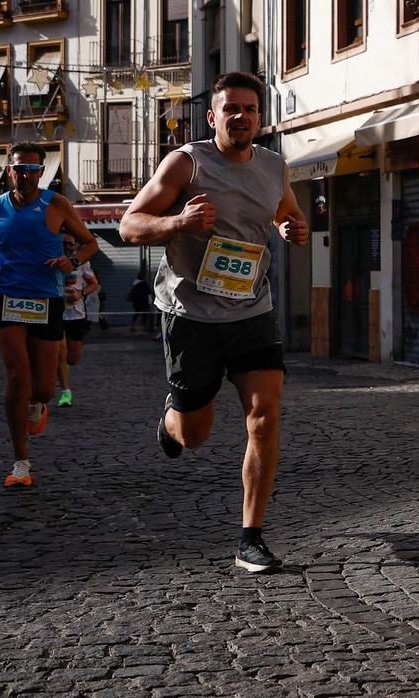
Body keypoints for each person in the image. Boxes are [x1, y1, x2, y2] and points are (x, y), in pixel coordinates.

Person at [119, 72, 309, 573]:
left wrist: (294, 227)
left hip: (252, 311)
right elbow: (129, 224)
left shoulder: (274, 167)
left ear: (260, 118)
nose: (240, 116)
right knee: (194, 434)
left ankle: (252, 536)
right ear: (213, 116)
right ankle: (171, 421)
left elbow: (285, 213)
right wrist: (178, 223)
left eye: (249, 109)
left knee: (264, 416)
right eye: (231, 109)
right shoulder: (187, 163)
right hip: (191, 315)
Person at [0, 143, 99, 488]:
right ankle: (20, 462)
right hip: (5, 295)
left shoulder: (57, 205)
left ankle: (38, 403)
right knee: (16, 376)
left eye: (34, 170)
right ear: (10, 171)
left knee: (42, 388)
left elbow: (90, 243)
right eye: (21, 169)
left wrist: (73, 261)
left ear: (42, 173)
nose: (27, 175)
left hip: (46, 298)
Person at [55, 237, 94, 407]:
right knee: (60, 353)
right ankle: (65, 391)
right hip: (57, 313)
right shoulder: (51, 260)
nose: (68, 247)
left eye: (70, 244)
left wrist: (80, 294)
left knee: (72, 358)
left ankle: (61, 375)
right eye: (64, 244)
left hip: (76, 314)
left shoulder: (82, 262)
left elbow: (94, 284)